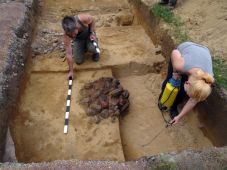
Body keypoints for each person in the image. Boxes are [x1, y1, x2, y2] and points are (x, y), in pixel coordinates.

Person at [159, 41, 214, 125]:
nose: (190, 97)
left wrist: (179, 116)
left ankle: (173, 106)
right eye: (189, 94)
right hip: (186, 49)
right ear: (187, 83)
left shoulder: (205, 82)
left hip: (201, 55)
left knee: (181, 92)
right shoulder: (180, 65)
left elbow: (193, 100)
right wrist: (175, 73)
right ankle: (163, 100)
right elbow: (174, 52)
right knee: (170, 81)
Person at [62, 14, 100, 79]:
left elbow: (92, 19)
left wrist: (92, 32)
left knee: (93, 48)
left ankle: (96, 53)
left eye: (74, 33)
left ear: (76, 26)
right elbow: (68, 53)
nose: (73, 36)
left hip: (89, 36)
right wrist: (71, 71)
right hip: (79, 40)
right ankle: (84, 47)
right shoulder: (66, 35)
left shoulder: (83, 19)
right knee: (78, 61)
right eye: (71, 35)